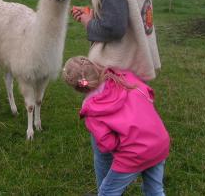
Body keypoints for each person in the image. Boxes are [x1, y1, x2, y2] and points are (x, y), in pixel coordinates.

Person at [71, 0, 164, 195]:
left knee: (105, 143)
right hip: (133, 71)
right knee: (134, 132)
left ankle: (106, 190)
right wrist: (96, 15)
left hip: (115, 73)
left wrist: (89, 22)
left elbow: (113, 27)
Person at [62, 56, 170, 196]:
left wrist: (123, 142)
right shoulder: (123, 77)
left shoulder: (92, 110)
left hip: (134, 153)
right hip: (159, 142)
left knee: (107, 192)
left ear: (77, 88)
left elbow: (108, 145)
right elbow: (148, 93)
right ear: (95, 67)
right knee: (155, 190)